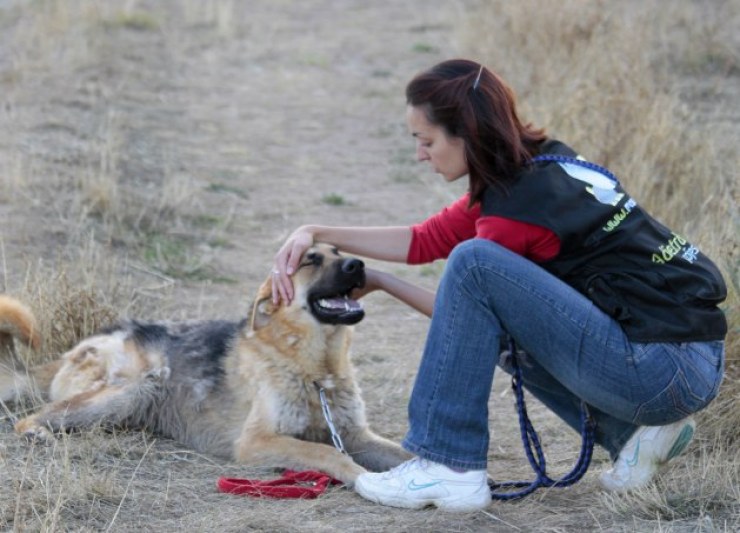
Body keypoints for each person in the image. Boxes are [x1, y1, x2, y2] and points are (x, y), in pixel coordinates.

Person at [271, 59, 727, 512]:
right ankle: (632, 438)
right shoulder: (538, 167)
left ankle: (447, 463)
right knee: (494, 300)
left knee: (474, 265)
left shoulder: (513, 212)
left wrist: (384, 282)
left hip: (660, 372)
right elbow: (423, 239)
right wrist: (316, 231)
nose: (419, 154)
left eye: (426, 141)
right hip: (688, 357)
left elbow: (467, 318)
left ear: (466, 134)